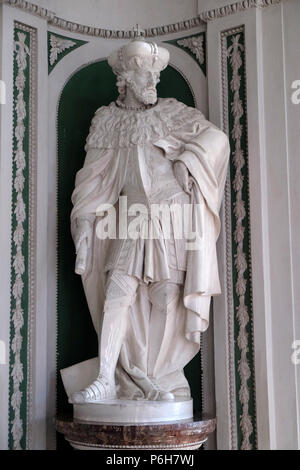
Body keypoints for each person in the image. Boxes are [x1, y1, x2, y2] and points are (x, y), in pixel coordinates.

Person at [70, 37, 230, 403]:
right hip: (131, 219)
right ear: (124, 79)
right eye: (145, 78)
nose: (153, 86)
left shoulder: (174, 113)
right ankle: (107, 378)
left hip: (171, 220)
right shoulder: (107, 122)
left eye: (156, 79)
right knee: (117, 293)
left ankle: (156, 377)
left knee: (165, 298)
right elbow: (93, 181)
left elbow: (217, 139)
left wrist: (188, 161)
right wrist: (84, 226)